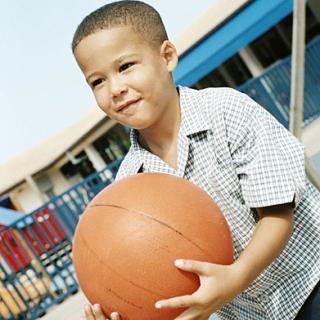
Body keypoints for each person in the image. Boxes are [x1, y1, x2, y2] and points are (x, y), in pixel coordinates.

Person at [71, 1, 320, 319]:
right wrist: (126, 306)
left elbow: (279, 213)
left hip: (308, 280)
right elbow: (152, 276)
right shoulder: (130, 184)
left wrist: (236, 277)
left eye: (125, 66)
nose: (116, 88)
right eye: (98, 81)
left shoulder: (227, 111)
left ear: (166, 56)